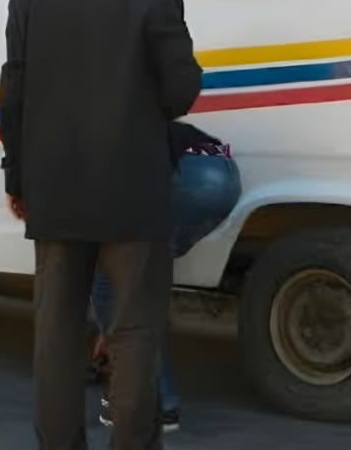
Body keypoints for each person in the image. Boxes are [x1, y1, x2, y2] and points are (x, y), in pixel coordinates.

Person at [0, 0, 204, 449]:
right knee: (134, 333)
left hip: (54, 192)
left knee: (56, 337)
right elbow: (180, 92)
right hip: (133, 191)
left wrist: (17, 177)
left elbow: (12, 97)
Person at [90, 123, 240, 435]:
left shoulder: (90, 148)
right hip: (222, 171)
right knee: (139, 281)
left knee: (108, 284)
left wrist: (111, 329)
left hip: (188, 176)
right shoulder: (121, 121)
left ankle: (155, 403)